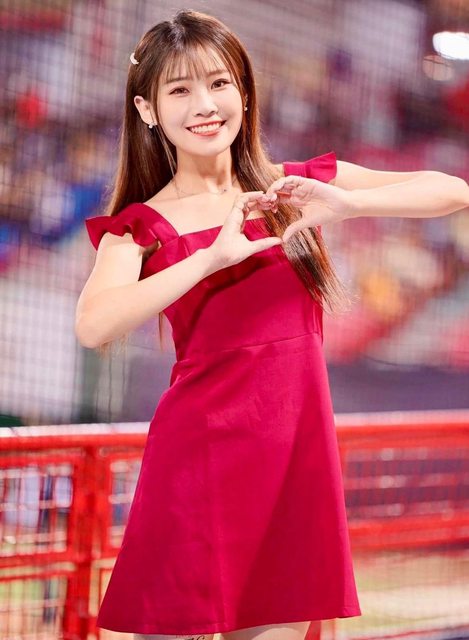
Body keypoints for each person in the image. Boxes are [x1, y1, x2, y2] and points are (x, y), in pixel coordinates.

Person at [75, 9, 469, 640]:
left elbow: (452, 190)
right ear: (147, 110)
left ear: (244, 91)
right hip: (197, 460)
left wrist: (350, 204)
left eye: (219, 83)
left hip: (294, 459)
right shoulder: (139, 226)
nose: (205, 105)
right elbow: (94, 326)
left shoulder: (296, 187)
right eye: (180, 90)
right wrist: (210, 258)